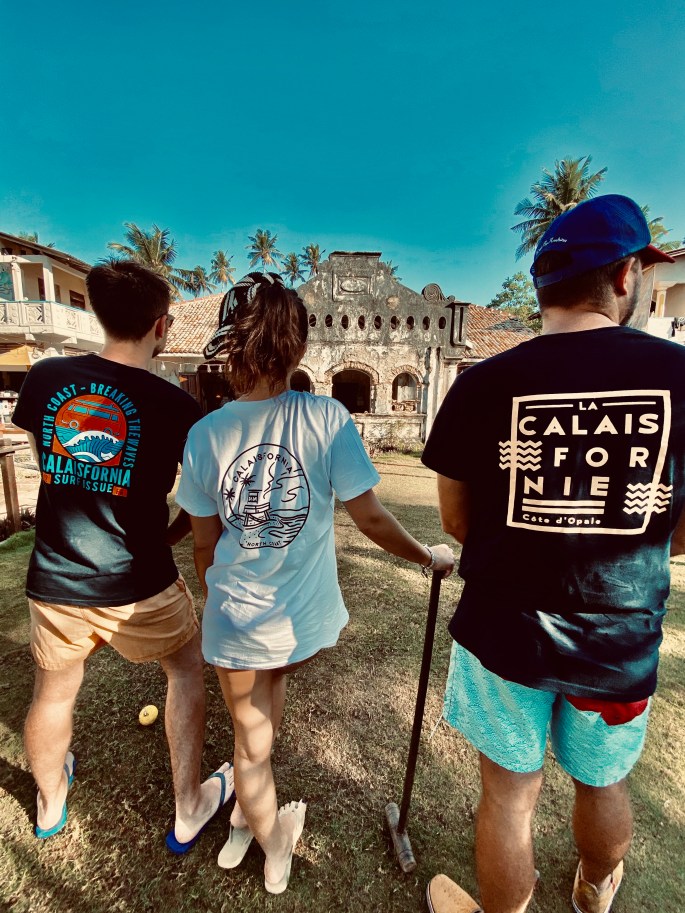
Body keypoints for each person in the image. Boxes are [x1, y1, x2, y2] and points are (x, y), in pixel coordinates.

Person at [421, 195, 681, 913]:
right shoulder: (680, 375)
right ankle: (594, 887)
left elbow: (456, 519)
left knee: (509, 798)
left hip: (503, 630)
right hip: (618, 638)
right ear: (625, 276)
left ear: (542, 288)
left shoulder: (479, 384)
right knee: (603, 780)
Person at [175, 271, 455, 894]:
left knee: (253, 738)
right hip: (294, 620)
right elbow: (372, 519)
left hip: (238, 620)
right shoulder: (326, 417)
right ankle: (275, 846)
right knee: (254, 745)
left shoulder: (205, 434)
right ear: (297, 347)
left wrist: (221, 599)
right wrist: (427, 557)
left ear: (231, 343)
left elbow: (202, 543)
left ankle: (249, 815)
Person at [13, 260, 232, 848]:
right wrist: (169, 537)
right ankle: (189, 805)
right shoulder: (176, 406)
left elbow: (45, 462)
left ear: (97, 314)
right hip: (140, 579)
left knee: (53, 691)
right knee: (186, 669)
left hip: (56, 576)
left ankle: (50, 802)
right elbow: (199, 504)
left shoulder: (45, 377)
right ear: (162, 326)